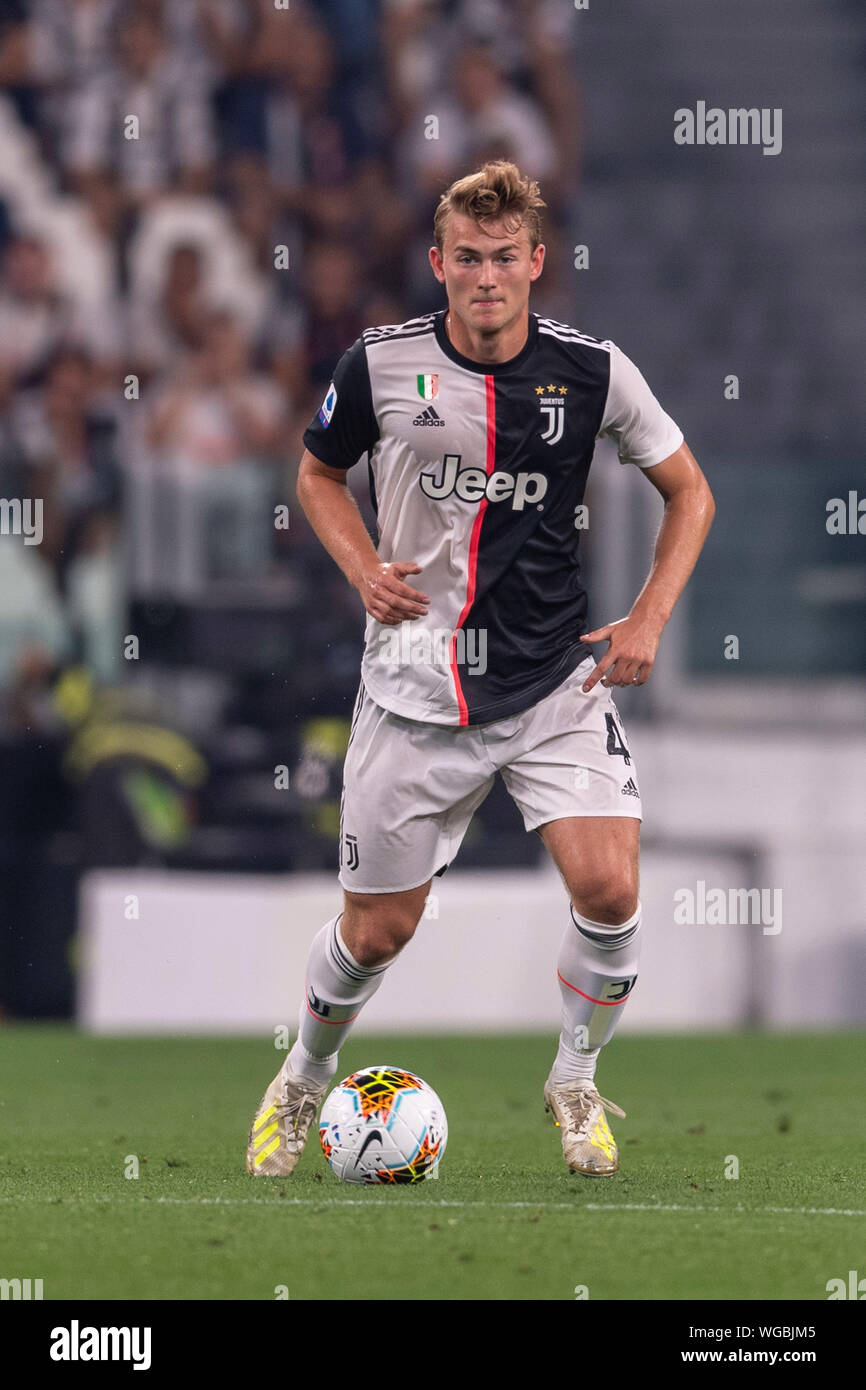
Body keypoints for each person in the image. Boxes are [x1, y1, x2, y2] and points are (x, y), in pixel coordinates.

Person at [246, 160, 715, 1179]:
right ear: (437, 263)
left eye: (505, 258)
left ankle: (574, 1077)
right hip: (413, 687)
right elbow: (317, 476)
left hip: (550, 683)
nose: (486, 277)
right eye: (466, 258)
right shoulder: (378, 365)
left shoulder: (591, 372)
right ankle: (300, 1078)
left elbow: (689, 493)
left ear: (535, 262)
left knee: (608, 886)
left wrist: (646, 615)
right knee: (376, 932)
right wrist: (363, 566)